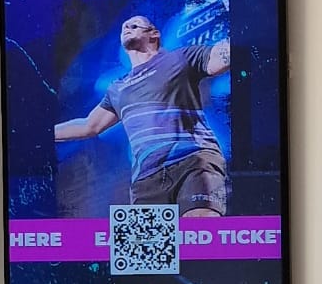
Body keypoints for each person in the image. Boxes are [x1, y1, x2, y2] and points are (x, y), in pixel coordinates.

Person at [54, 13, 231, 215]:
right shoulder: (118, 88)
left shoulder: (181, 58)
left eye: (134, 25)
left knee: (198, 229)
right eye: (124, 27)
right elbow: (89, 126)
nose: (127, 28)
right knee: (147, 237)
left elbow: (221, 58)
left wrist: (240, 23)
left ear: (154, 34)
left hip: (193, 161)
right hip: (147, 179)